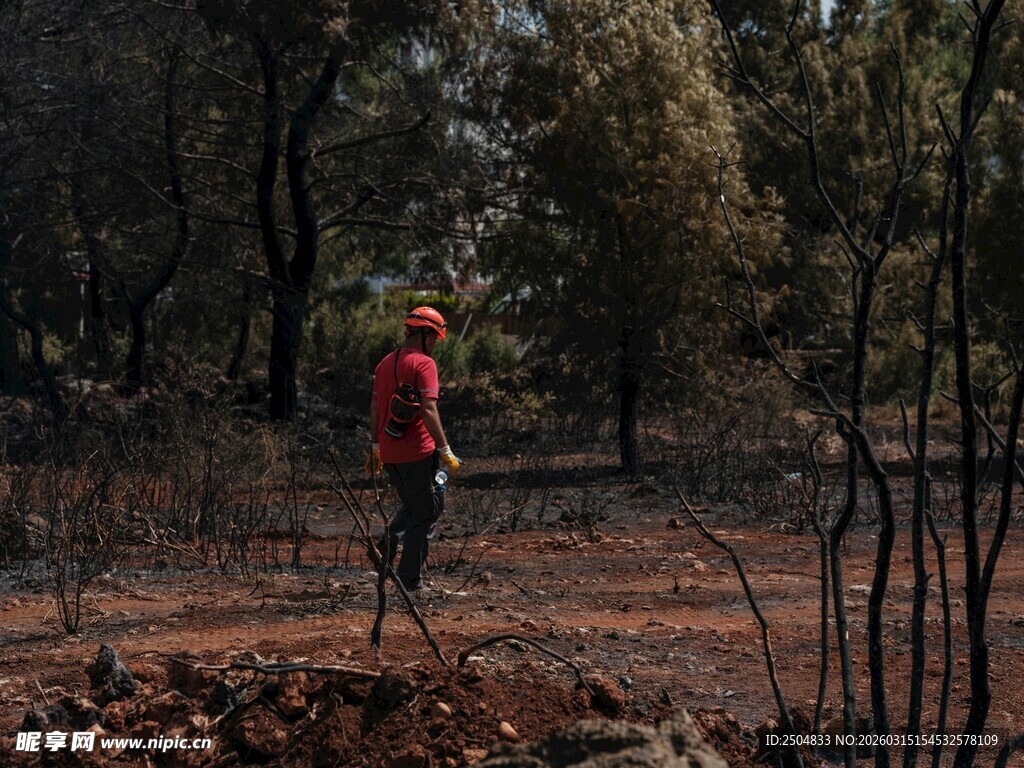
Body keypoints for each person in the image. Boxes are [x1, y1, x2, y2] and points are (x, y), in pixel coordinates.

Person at [366, 307, 461, 591]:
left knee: (415, 506)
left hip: (390, 454)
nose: (434, 345)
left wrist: (375, 447)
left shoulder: (384, 363)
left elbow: (374, 406)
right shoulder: (424, 364)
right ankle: (410, 581)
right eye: (434, 338)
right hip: (418, 453)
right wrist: (445, 450)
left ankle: (389, 539)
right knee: (428, 512)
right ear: (423, 334)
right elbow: (429, 409)